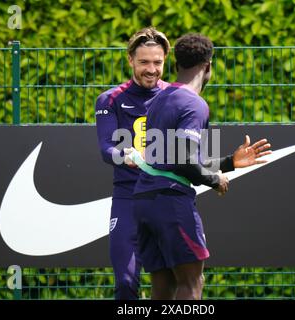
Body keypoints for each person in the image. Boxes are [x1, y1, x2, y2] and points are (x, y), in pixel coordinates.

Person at [132, 33, 272, 300]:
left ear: (176, 65)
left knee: (163, 287)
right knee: (191, 283)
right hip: (170, 202)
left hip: (145, 200)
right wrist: (214, 180)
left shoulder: (160, 98)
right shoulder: (194, 104)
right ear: (208, 66)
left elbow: (170, 159)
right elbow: (184, 161)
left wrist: (230, 163)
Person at [95, 27, 170, 300]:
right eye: (144, 62)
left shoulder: (176, 98)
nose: (151, 69)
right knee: (126, 282)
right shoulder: (110, 99)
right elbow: (105, 149)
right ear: (130, 60)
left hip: (168, 198)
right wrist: (126, 156)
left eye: (158, 62)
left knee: (174, 284)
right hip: (128, 198)